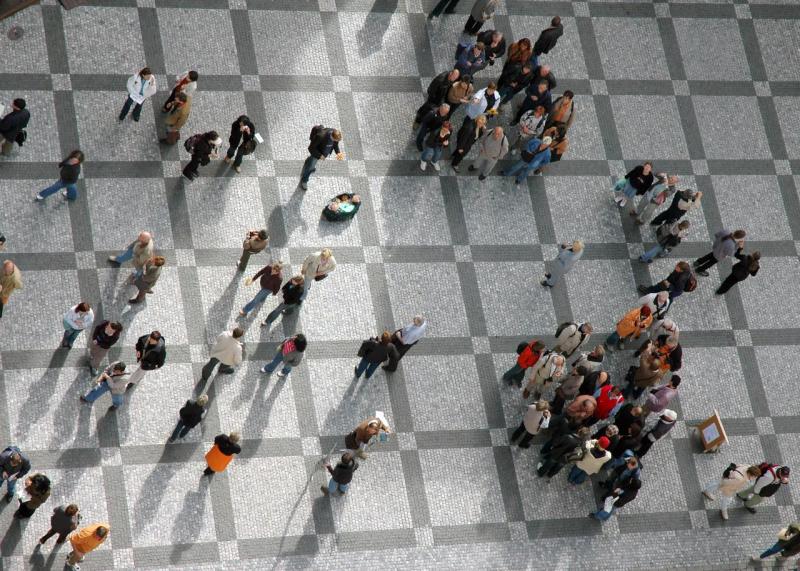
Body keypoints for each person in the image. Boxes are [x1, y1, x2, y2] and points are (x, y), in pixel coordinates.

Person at [301, 126, 344, 190]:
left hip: (323, 152)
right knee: (310, 167)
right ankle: (304, 180)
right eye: (336, 140)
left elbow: (335, 144)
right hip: (317, 152)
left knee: (311, 162)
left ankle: (308, 162)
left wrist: (338, 152)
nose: (336, 141)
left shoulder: (335, 133)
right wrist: (320, 156)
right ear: (332, 137)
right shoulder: (320, 136)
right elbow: (311, 148)